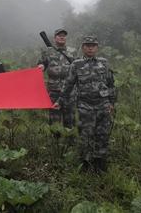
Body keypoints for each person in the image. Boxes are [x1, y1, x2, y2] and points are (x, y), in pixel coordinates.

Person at [54, 36, 115, 173]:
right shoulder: (76, 64)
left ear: (97, 47)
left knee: (102, 134)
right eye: (87, 45)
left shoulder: (104, 63)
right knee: (85, 135)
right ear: (83, 47)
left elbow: (110, 83)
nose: (90, 48)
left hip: (102, 105)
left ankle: (100, 163)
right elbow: (68, 84)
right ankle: (86, 163)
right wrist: (60, 101)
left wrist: (111, 102)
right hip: (85, 106)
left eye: (93, 45)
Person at [37, 28, 75, 128]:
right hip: (53, 90)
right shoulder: (48, 51)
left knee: (69, 118)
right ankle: (55, 142)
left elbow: (78, 68)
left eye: (64, 35)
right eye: (59, 35)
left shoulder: (72, 51)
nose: (62, 37)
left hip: (69, 91)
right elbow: (42, 63)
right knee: (54, 119)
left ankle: (69, 140)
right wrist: (41, 66)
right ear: (55, 38)